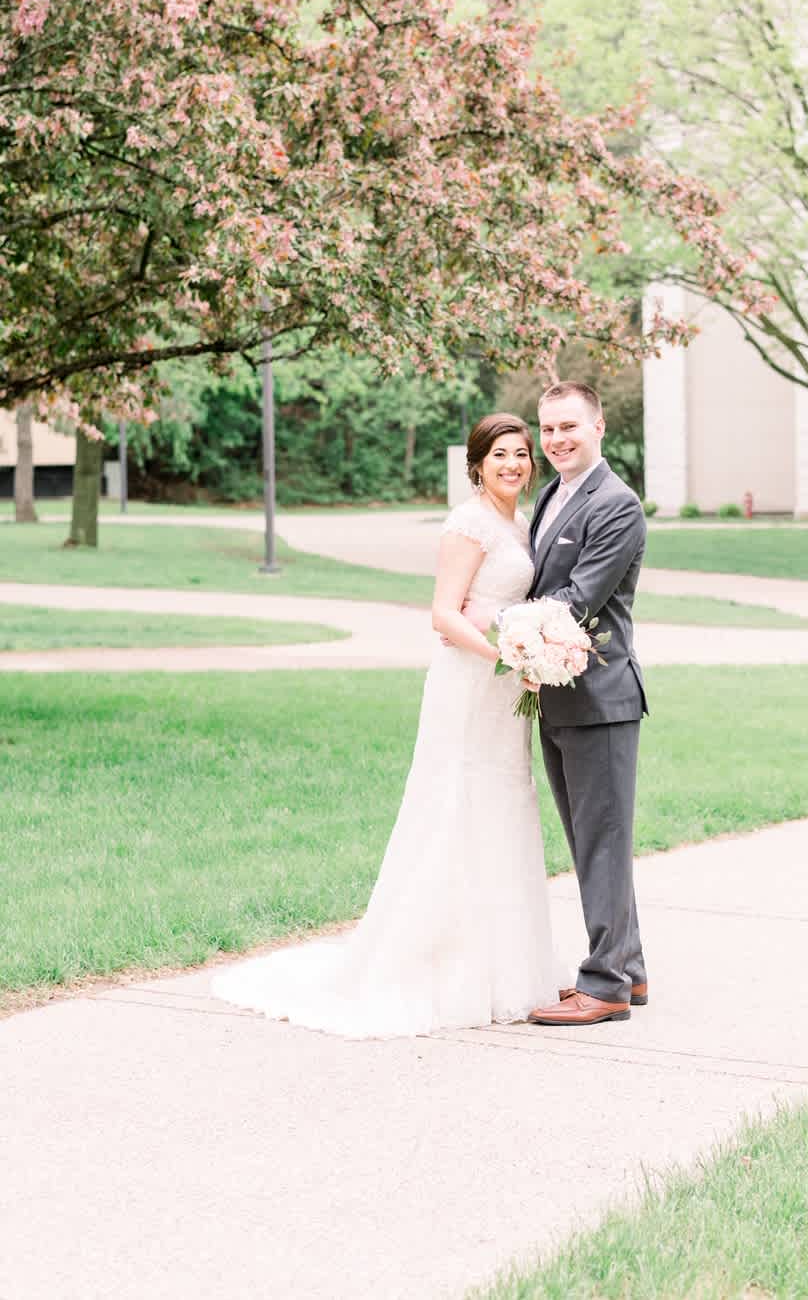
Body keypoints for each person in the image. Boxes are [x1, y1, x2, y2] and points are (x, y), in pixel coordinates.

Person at [212, 414, 561, 1037]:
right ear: (477, 464)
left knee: (504, 803)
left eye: (521, 454)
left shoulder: (520, 523)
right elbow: (443, 614)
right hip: (470, 681)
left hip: (506, 687)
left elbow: (506, 604)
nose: (513, 465)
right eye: (500, 455)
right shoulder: (470, 523)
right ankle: (440, 963)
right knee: (457, 803)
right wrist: (505, 654)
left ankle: (506, 966)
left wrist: (528, 649)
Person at [525, 381, 649, 1026]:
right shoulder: (552, 494)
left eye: (569, 426)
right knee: (590, 839)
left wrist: (502, 627)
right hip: (555, 694)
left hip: (599, 699)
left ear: (599, 426)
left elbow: (578, 599)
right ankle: (628, 965)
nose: (556, 440)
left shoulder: (616, 504)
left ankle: (604, 986)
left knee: (601, 840)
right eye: (548, 429)